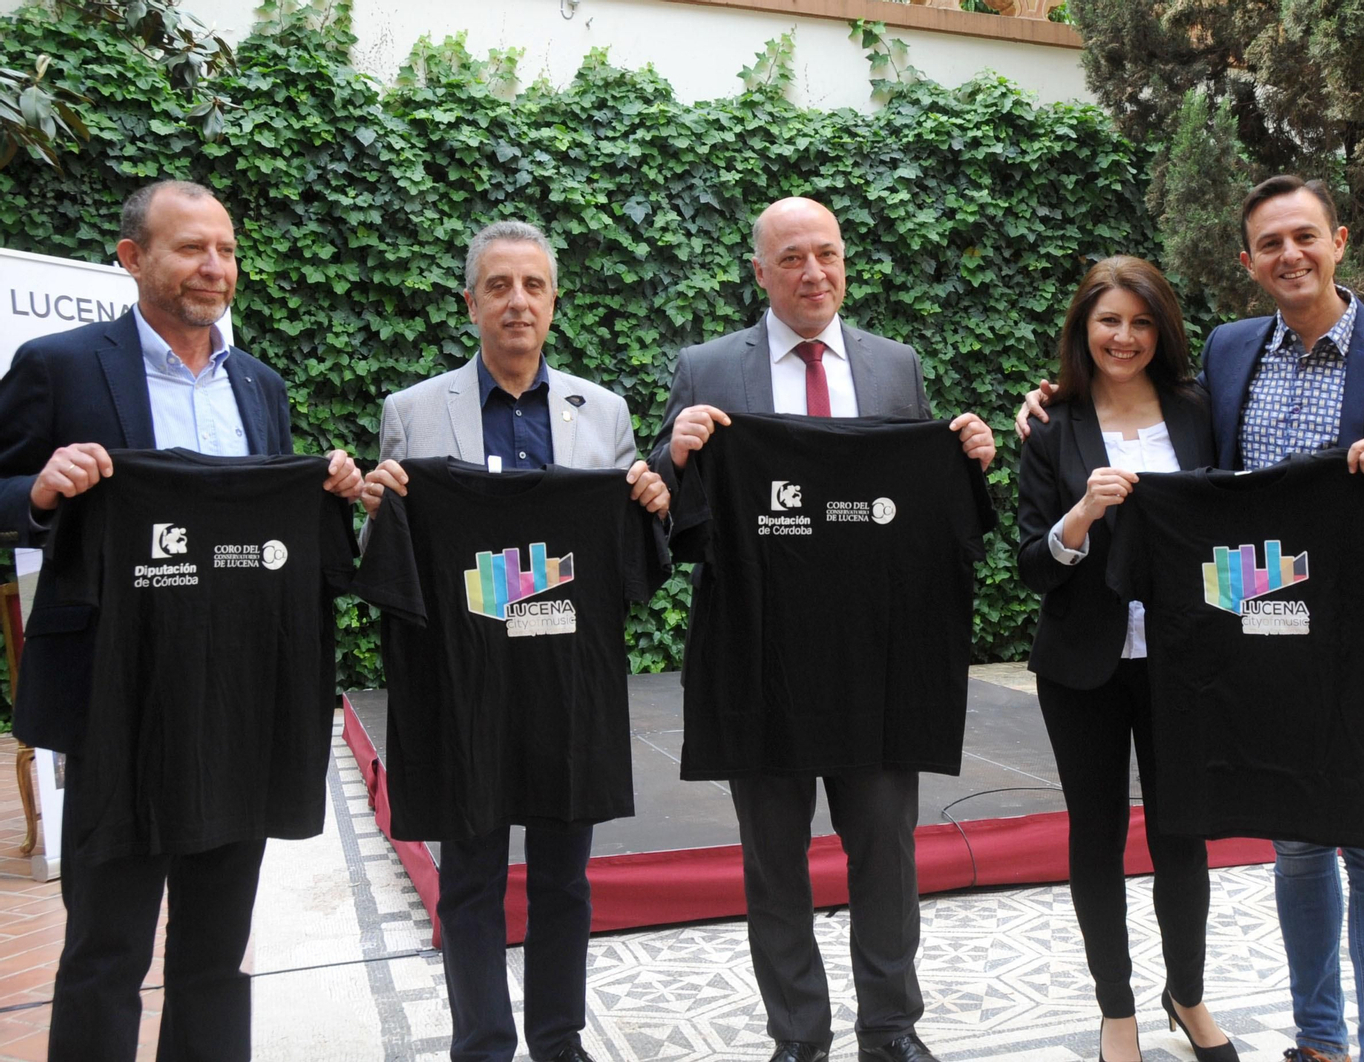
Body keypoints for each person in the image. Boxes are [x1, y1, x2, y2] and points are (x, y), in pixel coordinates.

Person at [1017, 176, 1364, 1062]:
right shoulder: (1234, 355)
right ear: (1247, 261)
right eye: (1270, 244)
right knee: (1298, 853)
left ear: (1339, 240)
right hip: (1257, 638)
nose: (1290, 255)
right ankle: (1318, 1040)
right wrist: (1052, 405)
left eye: (1304, 237)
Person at [0, 179, 362, 1062]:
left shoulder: (260, 386)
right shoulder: (63, 365)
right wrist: (41, 490)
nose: (213, 267)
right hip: (112, 700)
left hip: (238, 697)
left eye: (226, 250)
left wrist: (334, 495)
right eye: (191, 248)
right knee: (107, 947)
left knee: (216, 950)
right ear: (132, 259)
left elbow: (269, 536)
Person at [648, 196, 995, 1062]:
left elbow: (919, 504)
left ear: (846, 263)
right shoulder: (707, 369)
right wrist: (673, 454)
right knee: (775, 864)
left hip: (875, 658)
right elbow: (662, 510)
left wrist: (969, 453)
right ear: (759, 272)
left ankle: (891, 1030)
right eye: (793, 258)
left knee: (888, 854)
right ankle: (797, 1038)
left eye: (828, 255)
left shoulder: (895, 366)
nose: (814, 273)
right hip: (755, 658)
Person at [359, 219, 668, 1062]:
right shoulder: (412, 413)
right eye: (498, 287)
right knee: (470, 881)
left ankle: (559, 1042)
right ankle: (484, 1046)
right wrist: (380, 508)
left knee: (565, 880)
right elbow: (390, 561)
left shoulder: (602, 412)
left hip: (567, 684)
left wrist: (648, 500)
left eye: (532, 286)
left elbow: (634, 550)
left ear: (554, 299)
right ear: (470, 303)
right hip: (465, 688)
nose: (517, 303)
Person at [1016, 257, 1234, 1062]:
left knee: (1184, 835)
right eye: (1109, 321)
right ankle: (1117, 1009)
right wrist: (1080, 515)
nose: (1125, 337)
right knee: (1096, 833)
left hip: (1186, 658)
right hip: (1082, 664)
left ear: (1162, 331)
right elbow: (1030, 564)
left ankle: (1188, 995)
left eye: (1142, 322)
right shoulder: (1052, 424)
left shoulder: (1199, 411)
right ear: (1084, 328)